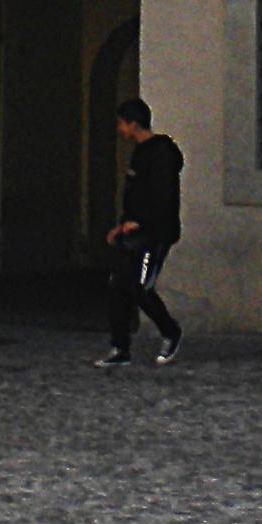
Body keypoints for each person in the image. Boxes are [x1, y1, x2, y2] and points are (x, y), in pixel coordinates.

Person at [94, 97, 186, 368]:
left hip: (156, 234)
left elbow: (163, 197)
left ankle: (170, 331)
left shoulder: (162, 154)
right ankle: (119, 347)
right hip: (136, 234)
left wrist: (141, 222)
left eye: (122, 124)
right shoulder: (139, 153)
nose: (120, 130)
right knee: (118, 286)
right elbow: (134, 196)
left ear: (133, 124)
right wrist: (123, 225)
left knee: (141, 288)